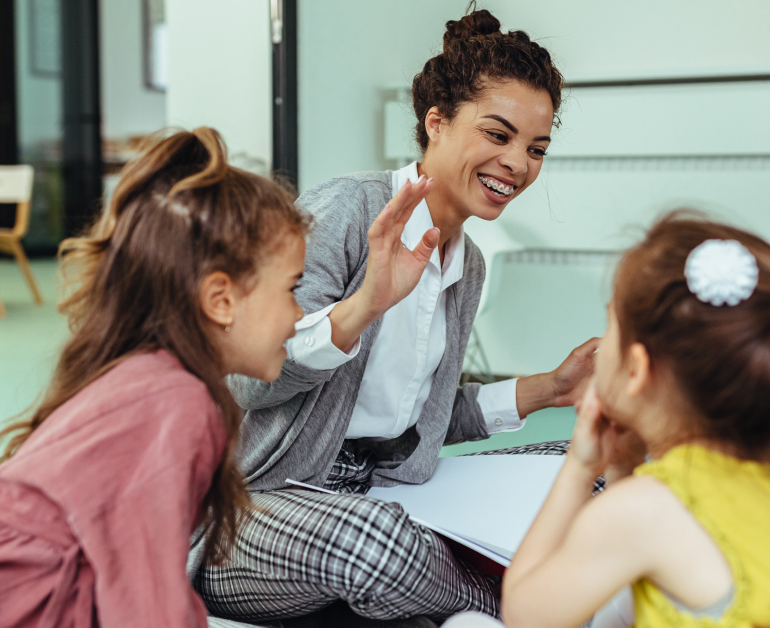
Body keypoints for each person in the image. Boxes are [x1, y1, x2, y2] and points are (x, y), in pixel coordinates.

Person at [191, 9, 595, 625]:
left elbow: (419, 421)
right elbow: (248, 382)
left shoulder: (467, 263)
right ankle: (531, 609)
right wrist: (365, 307)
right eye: (498, 135)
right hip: (256, 506)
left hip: (378, 493)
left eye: (536, 148)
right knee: (379, 543)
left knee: (585, 465)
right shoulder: (347, 210)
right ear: (437, 123)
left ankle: (454, 588)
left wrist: (552, 390)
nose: (518, 163)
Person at [0, 128, 309, 627]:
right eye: (291, 289)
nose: (301, 313)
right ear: (221, 300)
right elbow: (148, 608)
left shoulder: (146, 378)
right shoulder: (175, 401)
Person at [446, 216, 770, 628]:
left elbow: (526, 614)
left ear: (637, 369)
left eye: (611, 326)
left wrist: (581, 468)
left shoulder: (646, 508)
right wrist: (622, 469)